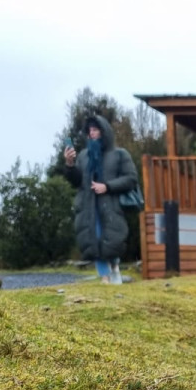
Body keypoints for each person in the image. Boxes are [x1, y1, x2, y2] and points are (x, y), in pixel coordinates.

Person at [63, 115, 138, 284]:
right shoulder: (83, 156)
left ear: (104, 131)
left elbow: (131, 178)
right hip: (89, 207)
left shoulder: (120, 154)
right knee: (93, 240)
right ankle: (105, 277)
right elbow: (77, 181)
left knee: (112, 239)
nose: (92, 134)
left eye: (95, 130)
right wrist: (69, 164)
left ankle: (115, 268)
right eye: (89, 131)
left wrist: (107, 186)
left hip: (112, 206)